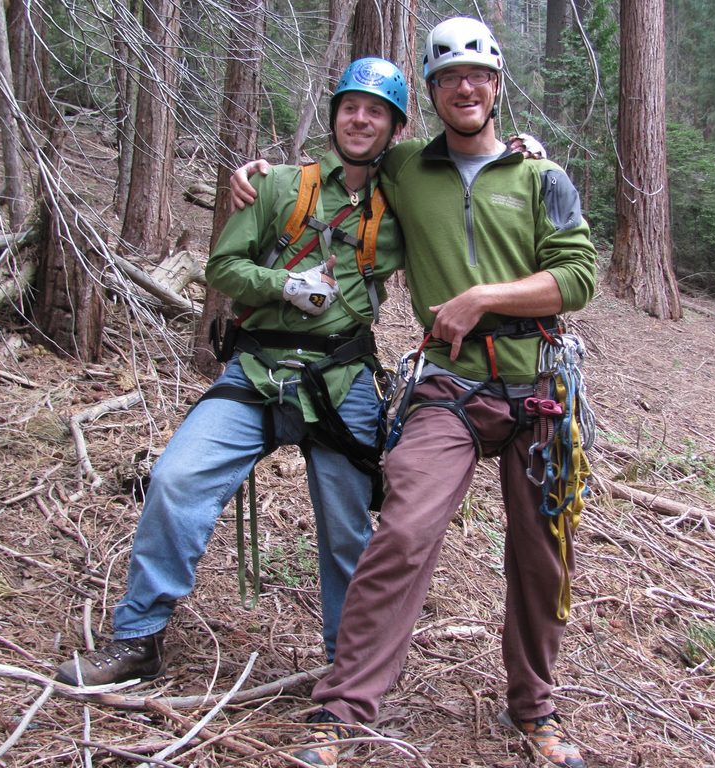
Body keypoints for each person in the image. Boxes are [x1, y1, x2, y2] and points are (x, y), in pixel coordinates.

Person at [230, 16, 596, 768]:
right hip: (450, 388)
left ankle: (535, 710)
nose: (467, 87)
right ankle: (342, 712)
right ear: (431, 92)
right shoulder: (406, 169)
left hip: (538, 389)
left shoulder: (541, 177)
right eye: (450, 77)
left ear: (498, 87)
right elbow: (344, 165)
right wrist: (256, 176)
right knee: (402, 529)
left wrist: (480, 297)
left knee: (542, 557)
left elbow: (578, 277)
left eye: (480, 76)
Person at [54, 57, 408, 687]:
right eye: (351, 106)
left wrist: (520, 151)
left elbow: (467, 174)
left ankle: (346, 668)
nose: (361, 119)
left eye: (376, 111)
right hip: (256, 370)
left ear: (393, 126)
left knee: (347, 529)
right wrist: (284, 285)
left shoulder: (403, 199)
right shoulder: (276, 185)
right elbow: (221, 267)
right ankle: (138, 637)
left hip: (342, 379)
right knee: (176, 478)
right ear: (334, 116)